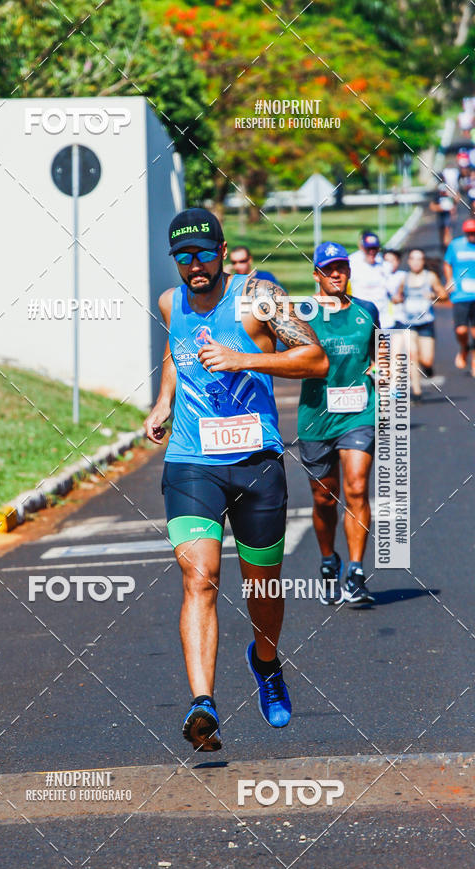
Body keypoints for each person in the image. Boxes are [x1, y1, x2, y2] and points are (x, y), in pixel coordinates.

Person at [144, 207, 328, 751]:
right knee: (199, 578)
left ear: (222, 251)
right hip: (191, 461)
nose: (194, 265)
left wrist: (242, 359)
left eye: (204, 253)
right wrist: (163, 402)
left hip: (256, 463)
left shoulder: (257, 298)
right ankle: (203, 703)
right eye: (184, 256)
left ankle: (266, 663)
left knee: (262, 587)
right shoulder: (170, 302)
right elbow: (177, 351)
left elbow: (314, 360)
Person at [298, 241, 379, 608]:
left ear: (349, 271)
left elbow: (380, 353)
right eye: (328, 268)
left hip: (359, 413)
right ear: (316, 274)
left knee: (357, 487)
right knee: (324, 498)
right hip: (315, 417)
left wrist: (383, 374)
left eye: (341, 267)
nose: (336, 274)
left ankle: (356, 573)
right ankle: (329, 561)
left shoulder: (366, 310)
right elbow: (286, 358)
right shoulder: (302, 314)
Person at [392, 248, 448, 402]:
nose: (416, 262)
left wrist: (434, 295)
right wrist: (397, 299)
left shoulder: (430, 277)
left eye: (419, 259)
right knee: (412, 354)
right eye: (413, 259)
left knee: (427, 359)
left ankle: (428, 368)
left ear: (423, 261)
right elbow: (397, 296)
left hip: (426, 322)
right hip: (409, 323)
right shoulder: (404, 278)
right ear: (409, 261)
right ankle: (416, 392)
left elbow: (444, 295)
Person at [444, 219, 475, 378]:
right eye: (469, 233)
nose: (472, 235)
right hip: (460, 294)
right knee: (461, 329)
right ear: (465, 233)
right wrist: (449, 280)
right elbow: (447, 263)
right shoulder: (455, 245)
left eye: (474, 232)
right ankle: (464, 347)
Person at [348, 231, 394, 328]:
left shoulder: (385, 265)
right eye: (368, 248)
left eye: (375, 248)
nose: (372, 252)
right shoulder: (352, 264)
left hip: (384, 320)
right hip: (361, 320)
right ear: (361, 247)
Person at [429, 181, 457, 251]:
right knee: (441, 230)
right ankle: (443, 244)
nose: (443, 192)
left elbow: (455, 203)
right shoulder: (437, 197)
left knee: (447, 229)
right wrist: (440, 208)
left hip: (447, 215)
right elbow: (432, 206)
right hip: (440, 216)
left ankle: (448, 245)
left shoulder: (449, 196)